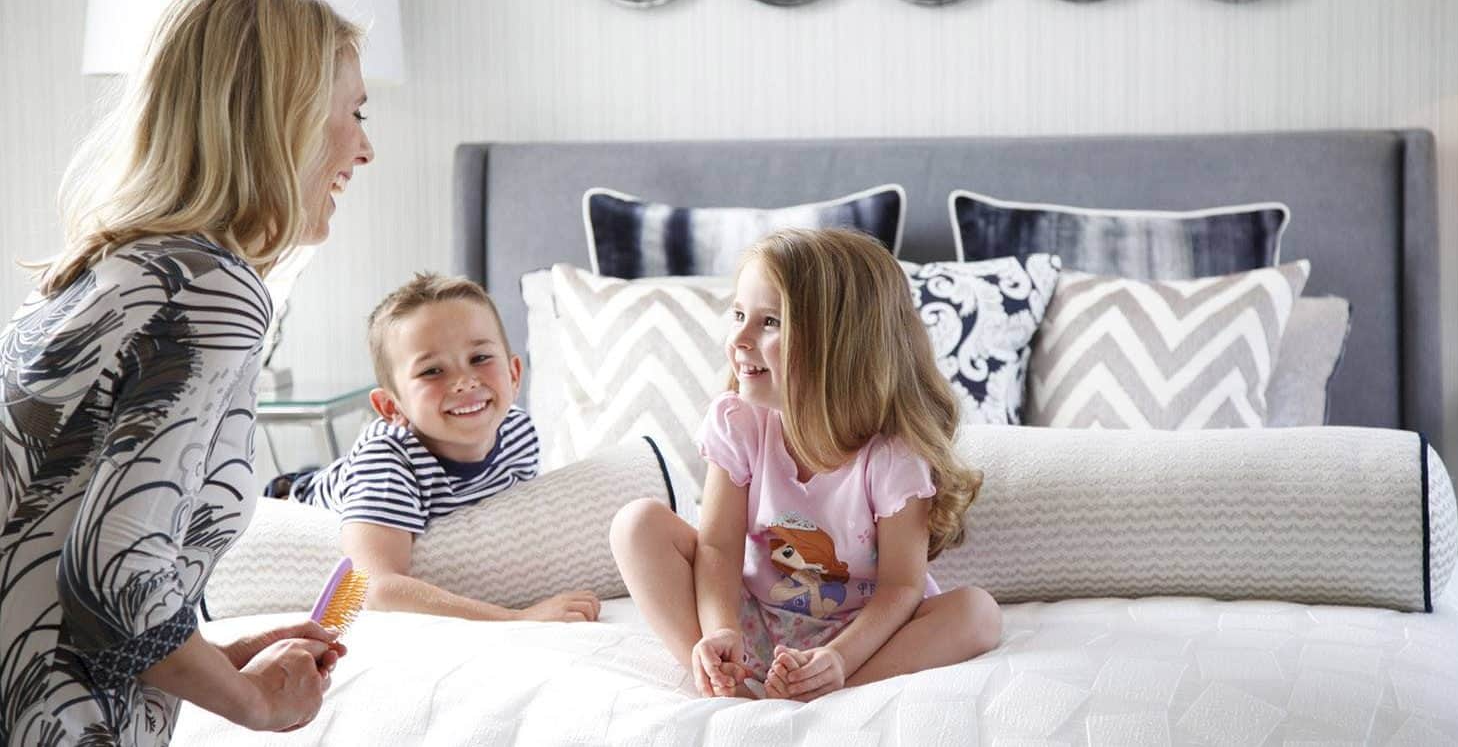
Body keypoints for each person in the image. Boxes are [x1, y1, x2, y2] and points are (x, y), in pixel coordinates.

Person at [0, 0, 372, 744]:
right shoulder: (214, 292)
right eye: (354, 114)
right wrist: (254, 706)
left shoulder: (100, 273)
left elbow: (56, 562)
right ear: (285, 120)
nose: (364, 148)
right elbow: (115, 574)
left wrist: (215, 661)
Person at [611, 228, 1003, 701]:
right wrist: (720, 628)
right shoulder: (740, 422)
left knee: (979, 613)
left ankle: (817, 691)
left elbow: (901, 586)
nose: (738, 337)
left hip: (861, 634)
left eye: (770, 322)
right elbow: (717, 547)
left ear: (840, 347)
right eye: (738, 315)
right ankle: (722, 682)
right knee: (636, 526)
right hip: (753, 617)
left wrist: (839, 659)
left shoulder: (893, 458)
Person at [278, 272, 601, 623]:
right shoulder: (388, 461)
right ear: (391, 407)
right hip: (294, 496)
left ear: (514, 374)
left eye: (480, 358)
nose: (464, 382)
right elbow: (373, 587)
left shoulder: (518, 431)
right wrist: (516, 617)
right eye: (432, 371)